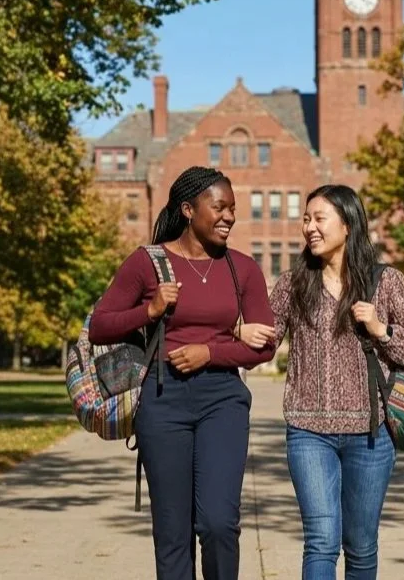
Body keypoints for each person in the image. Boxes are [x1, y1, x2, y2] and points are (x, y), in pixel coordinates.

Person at [88, 166, 276, 580]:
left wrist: (210, 352)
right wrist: (150, 310)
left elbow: (265, 344)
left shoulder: (241, 269)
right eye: (219, 207)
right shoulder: (147, 262)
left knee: (218, 523)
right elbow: (100, 325)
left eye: (233, 209)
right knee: (172, 533)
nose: (228, 216)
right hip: (162, 399)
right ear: (189, 209)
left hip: (223, 399)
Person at [238, 185, 404, 580]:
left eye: (318, 218)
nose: (309, 227)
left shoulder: (386, 282)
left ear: (347, 225)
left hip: (370, 435)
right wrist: (238, 331)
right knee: (322, 540)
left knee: (361, 547)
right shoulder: (295, 283)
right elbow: (266, 339)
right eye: (305, 219)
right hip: (309, 433)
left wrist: (381, 328)